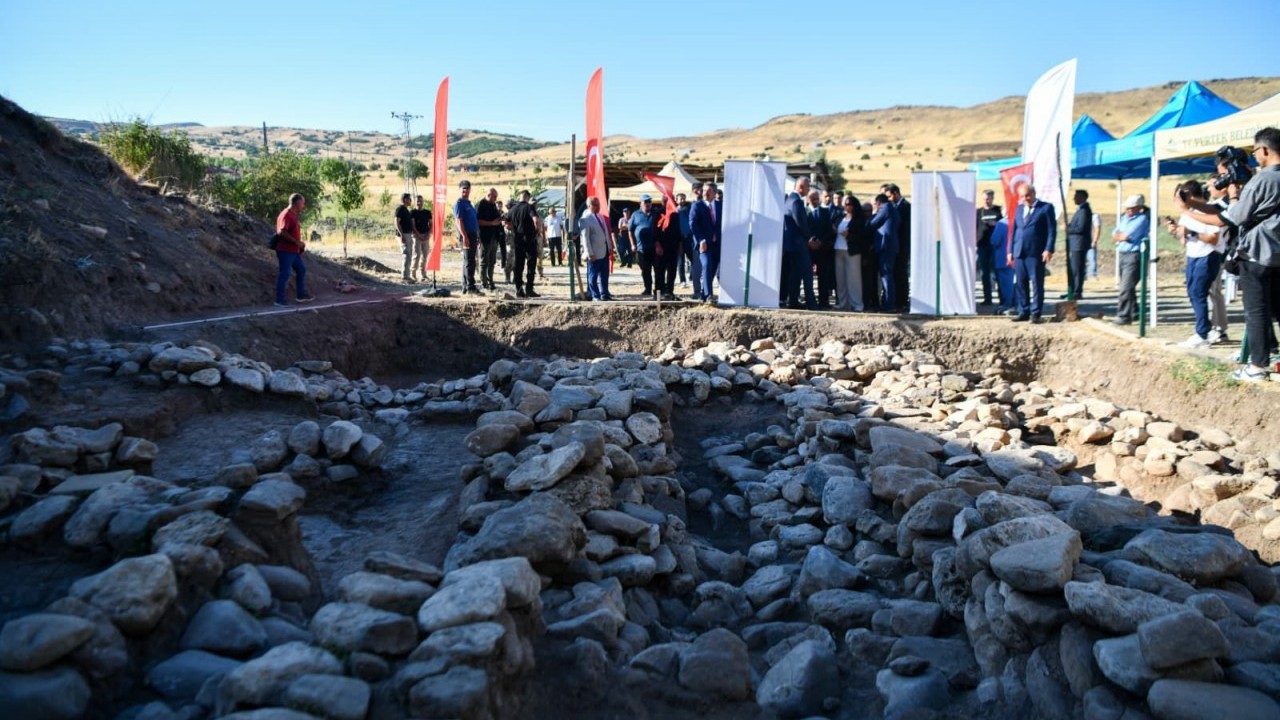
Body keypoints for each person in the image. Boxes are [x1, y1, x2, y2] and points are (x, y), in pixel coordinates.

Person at [1176, 129, 1280, 381]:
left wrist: (1186, 211)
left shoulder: (1263, 179)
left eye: (1255, 151)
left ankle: (1257, 367)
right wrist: (1195, 204)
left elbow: (1231, 217)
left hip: (1257, 253)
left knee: (1256, 310)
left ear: (1264, 150)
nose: (1254, 157)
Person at [1168, 180, 1224, 349]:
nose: (1176, 202)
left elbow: (1213, 239)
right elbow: (1184, 239)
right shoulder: (1187, 214)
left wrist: (1191, 232)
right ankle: (1203, 329)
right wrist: (1176, 232)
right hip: (1193, 256)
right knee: (1193, 293)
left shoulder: (1208, 212)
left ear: (1188, 195)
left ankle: (1202, 334)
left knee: (1199, 294)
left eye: (1178, 197)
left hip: (1207, 256)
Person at [1008, 183, 1056, 323]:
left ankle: (1035, 313)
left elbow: (1051, 231)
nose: (1025, 199)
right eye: (1022, 196)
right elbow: (1014, 231)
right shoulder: (1019, 209)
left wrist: (1048, 249)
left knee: (1036, 284)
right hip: (1019, 252)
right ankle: (1023, 310)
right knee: (1021, 283)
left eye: (1027, 195)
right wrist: (1010, 250)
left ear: (1034, 194)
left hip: (1035, 253)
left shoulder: (1045, 208)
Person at [1111, 194, 1149, 325]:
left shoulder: (1142, 219)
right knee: (1127, 286)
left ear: (1139, 208)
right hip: (1123, 253)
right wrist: (1119, 236)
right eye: (1127, 208)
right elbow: (1114, 234)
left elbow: (1126, 235)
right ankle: (1134, 312)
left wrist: (1120, 236)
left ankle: (1124, 315)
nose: (1128, 210)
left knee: (1126, 287)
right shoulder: (1124, 218)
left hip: (1134, 254)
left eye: (1131, 208)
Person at [273, 193, 313, 307]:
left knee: (301, 269)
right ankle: (279, 300)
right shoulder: (286, 214)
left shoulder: (294, 215)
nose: (303, 206)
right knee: (285, 273)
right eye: (302, 203)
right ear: (297, 203)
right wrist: (296, 242)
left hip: (293, 251)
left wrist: (299, 244)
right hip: (285, 250)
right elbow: (282, 232)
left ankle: (300, 294)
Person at [781, 177, 814, 309]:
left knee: (795, 275)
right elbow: (801, 223)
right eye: (808, 186)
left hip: (791, 244)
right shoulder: (796, 202)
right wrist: (809, 238)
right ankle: (811, 303)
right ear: (801, 187)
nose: (809, 189)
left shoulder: (789, 200)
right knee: (806, 273)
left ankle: (793, 301)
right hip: (798, 244)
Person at [834, 194, 867, 311]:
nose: (846, 206)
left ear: (854, 206)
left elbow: (861, 236)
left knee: (854, 279)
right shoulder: (840, 217)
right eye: (845, 204)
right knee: (840, 279)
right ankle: (843, 303)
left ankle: (857, 304)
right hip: (839, 249)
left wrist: (849, 235)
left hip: (852, 251)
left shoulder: (859, 219)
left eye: (848, 204)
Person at [690, 181, 722, 302]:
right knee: (707, 264)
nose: (705, 193)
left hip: (717, 244)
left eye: (708, 191)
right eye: (704, 191)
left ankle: (704, 294)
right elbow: (692, 224)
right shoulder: (697, 206)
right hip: (703, 244)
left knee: (712, 268)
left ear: (714, 192)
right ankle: (709, 295)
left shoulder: (720, 205)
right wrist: (701, 240)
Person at [867, 193, 899, 310]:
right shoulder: (893, 209)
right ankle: (888, 302)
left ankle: (889, 304)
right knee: (888, 275)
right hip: (891, 246)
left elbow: (874, 223)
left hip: (885, 246)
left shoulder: (885, 208)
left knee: (886, 275)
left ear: (879, 203)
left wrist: (872, 215)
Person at [507, 191, 541, 297]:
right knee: (531, 265)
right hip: (529, 240)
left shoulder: (513, 209)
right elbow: (536, 220)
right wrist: (537, 231)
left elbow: (506, 223)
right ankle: (529, 289)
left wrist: (513, 228)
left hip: (518, 240)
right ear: (528, 197)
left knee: (518, 266)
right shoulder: (529, 207)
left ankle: (519, 290)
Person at [1064, 189, 1096, 300]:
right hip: (1076, 243)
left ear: (1082, 197)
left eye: (1076, 196)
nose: (1074, 199)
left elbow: (1081, 228)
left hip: (1079, 243)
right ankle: (1073, 289)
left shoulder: (1084, 211)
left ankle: (1077, 291)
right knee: (1074, 267)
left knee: (1077, 268)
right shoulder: (1080, 210)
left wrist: (1068, 229)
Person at [452, 180, 482, 294]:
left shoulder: (468, 203)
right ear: (459, 190)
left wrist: (477, 236)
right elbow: (459, 221)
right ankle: (470, 287)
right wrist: (465, 236)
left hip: (472, 235)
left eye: (467, 188)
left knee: (469, 261)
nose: (465, 190)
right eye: (463, 188)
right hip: (466, 234)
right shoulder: (459, 204)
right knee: (470, 261)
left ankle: (465, 287)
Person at [581, 196, 614, 301]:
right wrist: (590, 253)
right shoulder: (585, 219)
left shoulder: (600, 217)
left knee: (604, 275)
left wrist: (609, 246)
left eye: (598, 204)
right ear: (589, 205)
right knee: (593, 275)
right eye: (595, 205)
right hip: (594, 253)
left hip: (604, 250)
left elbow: (605, 232)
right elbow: (585, 239)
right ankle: (595, 295)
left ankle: (604, 294)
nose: (598, 206)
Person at [808, 189, 836, 309]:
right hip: (808, 249)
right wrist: (810, 241)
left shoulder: (825, 212)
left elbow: (829, 229)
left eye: (816, 198)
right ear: (808, 199)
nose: (815, 201)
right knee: (807, 275)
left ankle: (823, 301)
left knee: (823, 276)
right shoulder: (804, 211)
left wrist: (821, 241)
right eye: (812, 199)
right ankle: (810, 301)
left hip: (822, 249)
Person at [630, 194, 661, 298]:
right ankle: (647, 289)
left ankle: (658, 289)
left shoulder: (656, 213)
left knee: (658, 269)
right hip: (642, 248)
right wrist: (633, 244)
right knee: (645, 270)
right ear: (640, 203)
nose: (648, 203)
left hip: (655, 247)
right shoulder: (635, 214)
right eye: (645, 202)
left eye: (649, 201)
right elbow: (630, 230)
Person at [886, 184, 912, 310]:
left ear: (896, 193)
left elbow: (904, 228)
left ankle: (902, 301)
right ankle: (897, 299)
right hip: (895, 245)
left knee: (901, 273)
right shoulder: (894, 206)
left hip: (903, 245)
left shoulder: (906, 207)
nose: (888, 199)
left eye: (889, 196)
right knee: (896, 273)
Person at [976, 190, 1002, 305]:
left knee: (997, 272)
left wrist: (994, 224)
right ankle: (987, 298)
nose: (986, 201)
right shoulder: (979, 212)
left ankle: (1002, 298)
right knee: (984, 273)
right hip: (982, 246)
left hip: (995, 246)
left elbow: (1003, 225)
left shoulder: (997, 211)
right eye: (985, 199)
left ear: (992, 198)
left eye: (988, 199)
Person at [474, 189, 502, 290]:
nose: (495, 199)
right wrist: (491, 223)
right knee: (484, 261)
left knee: (492, 261)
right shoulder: (480, 205)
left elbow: (495, 217)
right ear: (489, 195)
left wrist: (500, 218)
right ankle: (484, 283)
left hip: (494, 237)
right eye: (494, 197)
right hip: (484, 237)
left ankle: (491, 281)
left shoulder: (493, 205)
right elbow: (477, 221)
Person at [679, 189, 702, 299]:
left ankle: (692, 277)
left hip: (689, 238)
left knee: (693, 259)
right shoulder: (675, 211)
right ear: (676, 200)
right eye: (680, 199)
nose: (682, 200)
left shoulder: (689, 209)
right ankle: (682, 280)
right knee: (680, 261)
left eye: (683, 198)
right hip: (679, 238)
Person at [861, 200, 880, 310]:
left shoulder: (874, 220)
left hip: (872, 253)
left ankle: (874, 301)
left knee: (873, 279)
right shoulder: (860, 221)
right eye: (865, 211)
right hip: (863, 253)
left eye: (869, 211)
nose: (867, 213)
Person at [394, 193, 415, 282]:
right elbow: (396, 222)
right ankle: (405, 276)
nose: (411, 201)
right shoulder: (400, 209)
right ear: (405, 200)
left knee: (409, 255)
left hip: (408, 234)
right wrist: (401, 234)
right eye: (409, 199)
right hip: (404, 234)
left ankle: (407, 275)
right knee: (406, 254)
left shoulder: (406, 210)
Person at [410, 195, 432, 282]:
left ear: (423, 202)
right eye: (417, 201)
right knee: (417, 255)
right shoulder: (413, 212)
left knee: (425, 256)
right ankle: (413, 274)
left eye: (421, 201)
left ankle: (423, 274)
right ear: (415, 202)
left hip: (426, 236)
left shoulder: (427, 212)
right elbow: (413, 225)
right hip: (416, 236)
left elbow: (431, 224)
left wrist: (428, 234)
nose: (419, 203)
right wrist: (418, 234)